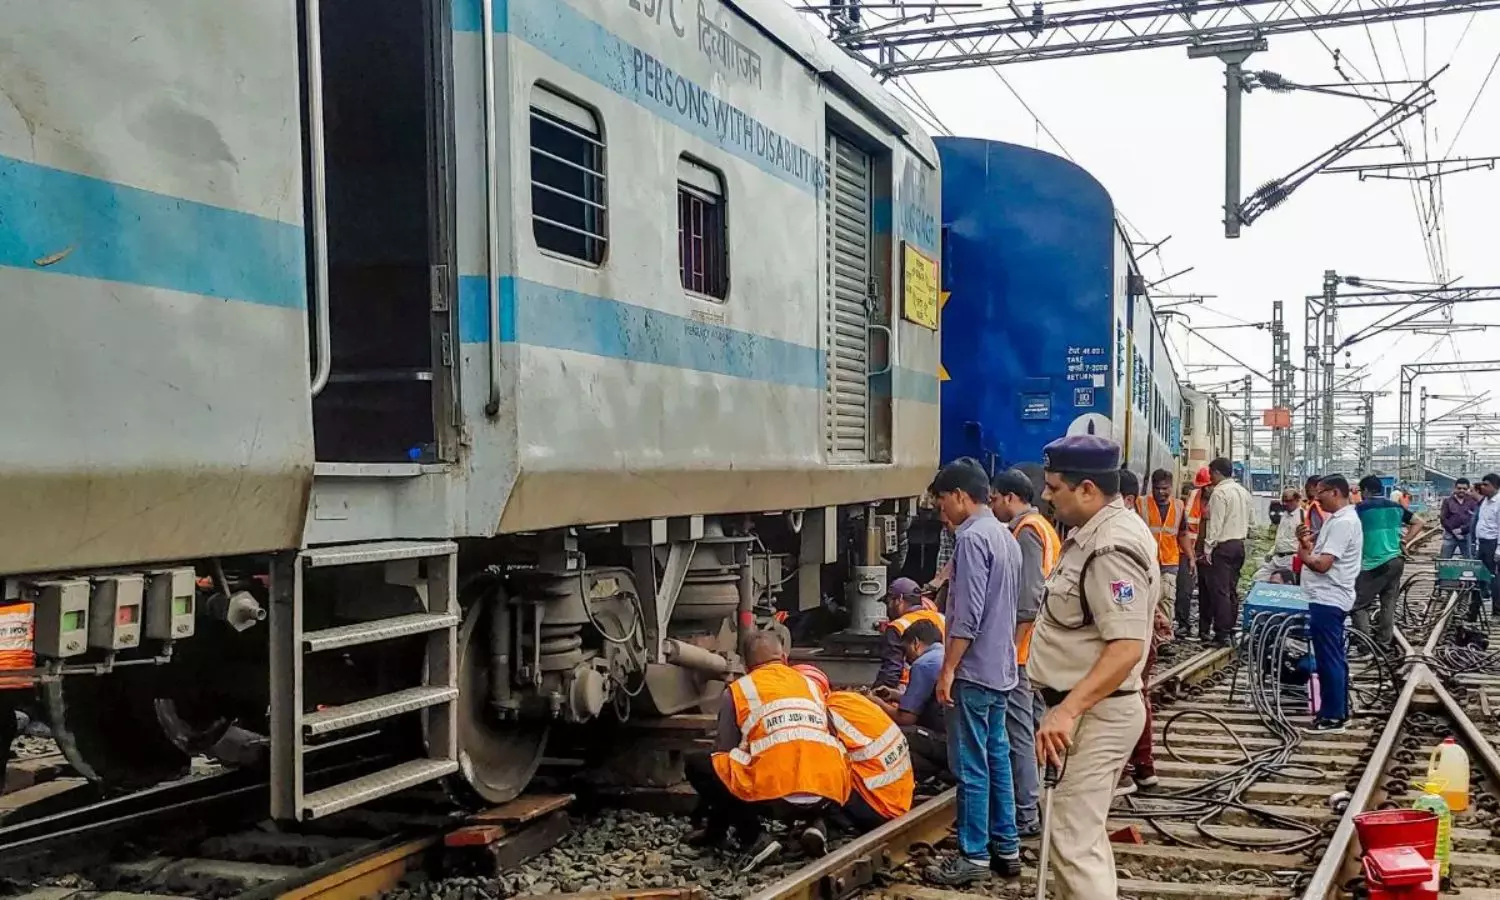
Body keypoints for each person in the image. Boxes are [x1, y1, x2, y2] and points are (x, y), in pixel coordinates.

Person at [1029, 435, 1156, 900]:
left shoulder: (1110, 546)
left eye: (1053, 487)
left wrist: (1067, 710)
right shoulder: (1103, 531)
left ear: (1086, 489)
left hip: (1094, 714)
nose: (1046, 496)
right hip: (1088, 710)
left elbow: (1125, 646)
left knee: (1073, 842)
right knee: (1077, 835)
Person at [923, 460, 1023, 885]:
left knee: (971, 765)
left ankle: (973, 856)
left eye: (943, 502)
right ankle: (1007, 847)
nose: (942, 512)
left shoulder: (970, 540)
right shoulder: (1006, 537)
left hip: (975, 671)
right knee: (997, 759)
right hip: (1001, 669)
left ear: (961, 496)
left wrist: (948, 670)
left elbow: (966, 616)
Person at [684, 632, 850, 855]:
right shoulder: (810, 685)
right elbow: (831, 735)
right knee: (814, 752)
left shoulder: (740, 690)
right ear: (783, 657)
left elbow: (724, 757)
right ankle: (815, 823)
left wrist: (714, 825)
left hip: (775, 797)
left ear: (746, 665)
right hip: (828, 791)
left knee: (703, 764)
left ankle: (754, 836)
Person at [989, 467, 1062, 837]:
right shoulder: (1044, 529)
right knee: (1032, 727)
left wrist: (1008, 644)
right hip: (1041, 647)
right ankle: (1036, 803)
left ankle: (1025, 814)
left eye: (995, 498)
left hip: (1024, 650)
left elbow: (1029, 598)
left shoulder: (1027, 532)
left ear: (1010, 498)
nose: (993, 506)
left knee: (1018, 730)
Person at [793, 665, 915, 835]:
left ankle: (831, 823)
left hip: (877, 809)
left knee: (814, 773)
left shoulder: (823, 718)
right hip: (901, 799)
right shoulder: (850, 699)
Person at [1297, 475, 1363, 734]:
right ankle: (1335, 711)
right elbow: (1323, 554)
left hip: (1329, 597)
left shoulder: (1343, 523)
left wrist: (1303, 555)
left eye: (1320, 493)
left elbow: (1322, 565)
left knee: (1329, 659)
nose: (1317, 499)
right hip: (1329, 597)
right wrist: (1306, 544)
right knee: (1332, 657)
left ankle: (1333, 716)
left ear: (1335, 492)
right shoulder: (1340, 520)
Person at [871, 620, 949, 780]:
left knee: (889, 736)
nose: (906, 659)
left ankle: (931, 775)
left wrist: (876, 703)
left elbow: (906, 718)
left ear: (915, 643)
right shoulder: (943, 656)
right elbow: (930, 699)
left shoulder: (923, 664)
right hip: (958, 738)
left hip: (944, 741)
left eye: (906, 651)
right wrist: (894, 695)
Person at [1352, 476, 1420, 651]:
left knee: (1359, 605)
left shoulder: (1360, 509)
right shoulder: (1396, 507)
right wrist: (1405, 541)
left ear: (1366, 490)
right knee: (1388, 603)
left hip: (1373, 564)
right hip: (1396, 560)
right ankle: (1384, 642)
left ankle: (1364, 644)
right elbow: (1419, 522)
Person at [1200, 457, 1251, 647]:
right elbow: (1251, 521)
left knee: (1220, 591)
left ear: (1216, 472)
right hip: (1239, 545)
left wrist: (1207, 548)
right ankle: (1229, 629)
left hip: (1223, 546)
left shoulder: (1219, 493)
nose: (1210, 478)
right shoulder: (1244, 492)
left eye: (1211, 473)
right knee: (1231, 590)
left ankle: (1221, 634)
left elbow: (1215, 524)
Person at [1135, 469, 1186, 625]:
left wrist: (1190, 557)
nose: (1161, 492)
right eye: (1157, 488)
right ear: (1152, 487)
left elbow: (1182, 533)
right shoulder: (1141, 503)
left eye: (1165, 488)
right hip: (1147, 560)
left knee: (1167, 599)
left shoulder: (1178, 506)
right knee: (1147, 598)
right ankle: (1149, 634)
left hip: (1169, 560)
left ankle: (1165, 635)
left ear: (1171, 487)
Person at [875, 578, 945, 690]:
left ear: (899, 600)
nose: (888, 609)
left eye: (888, 602)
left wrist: (876, 694)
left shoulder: (897, 626)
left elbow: (891, 672)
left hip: (910, 688)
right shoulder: (941, 618)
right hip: (943, 685)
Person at [1181, 467, 1212, 638]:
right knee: (1185, 589)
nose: (1206, 489)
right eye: (1204, 486)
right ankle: (1184, 624)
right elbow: (1187, 525)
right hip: (1191, 549)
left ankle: (1205, 629)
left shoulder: (1219, 498)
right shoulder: (1194, 497)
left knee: (1207, 591)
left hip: (1208, 552)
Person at [1253, 489, 1303, 583]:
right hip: (1277, 557)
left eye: (1288, 501)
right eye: (1283, 501)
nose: (1285, 504)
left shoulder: (1302, 517)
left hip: (1291, 558)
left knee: (1285, 583)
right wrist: (1271, 552)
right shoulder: (1284, 515)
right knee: (1258, 578)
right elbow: (1280, 538)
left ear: (1297, 500)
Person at [1474, 474, 1500, 618]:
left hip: (1493, 544)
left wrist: (1498, 550)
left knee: (1495, 578)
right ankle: (1474, 611)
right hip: (1482, 543)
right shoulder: (1485, 501)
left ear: (1495, 486)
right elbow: (1481, 524)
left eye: (1485, 484)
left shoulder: (1499, 503)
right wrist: (1477, 545)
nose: (1482, 487)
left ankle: (1497, 611)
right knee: (1478, 577)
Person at [1441, 478, 1480, 559]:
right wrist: (1453, 531)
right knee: (1444, 559)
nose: (1461, 490)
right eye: (1459, 488)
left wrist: (1462, 530)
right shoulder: (1447, 501)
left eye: (1464, 489)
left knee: (1469, 559)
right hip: (1450, 535)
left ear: (1468, 489)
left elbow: (1474, 519)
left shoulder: (1472, 501)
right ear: (1455, 488)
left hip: (1466, 535)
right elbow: (1443, 519)